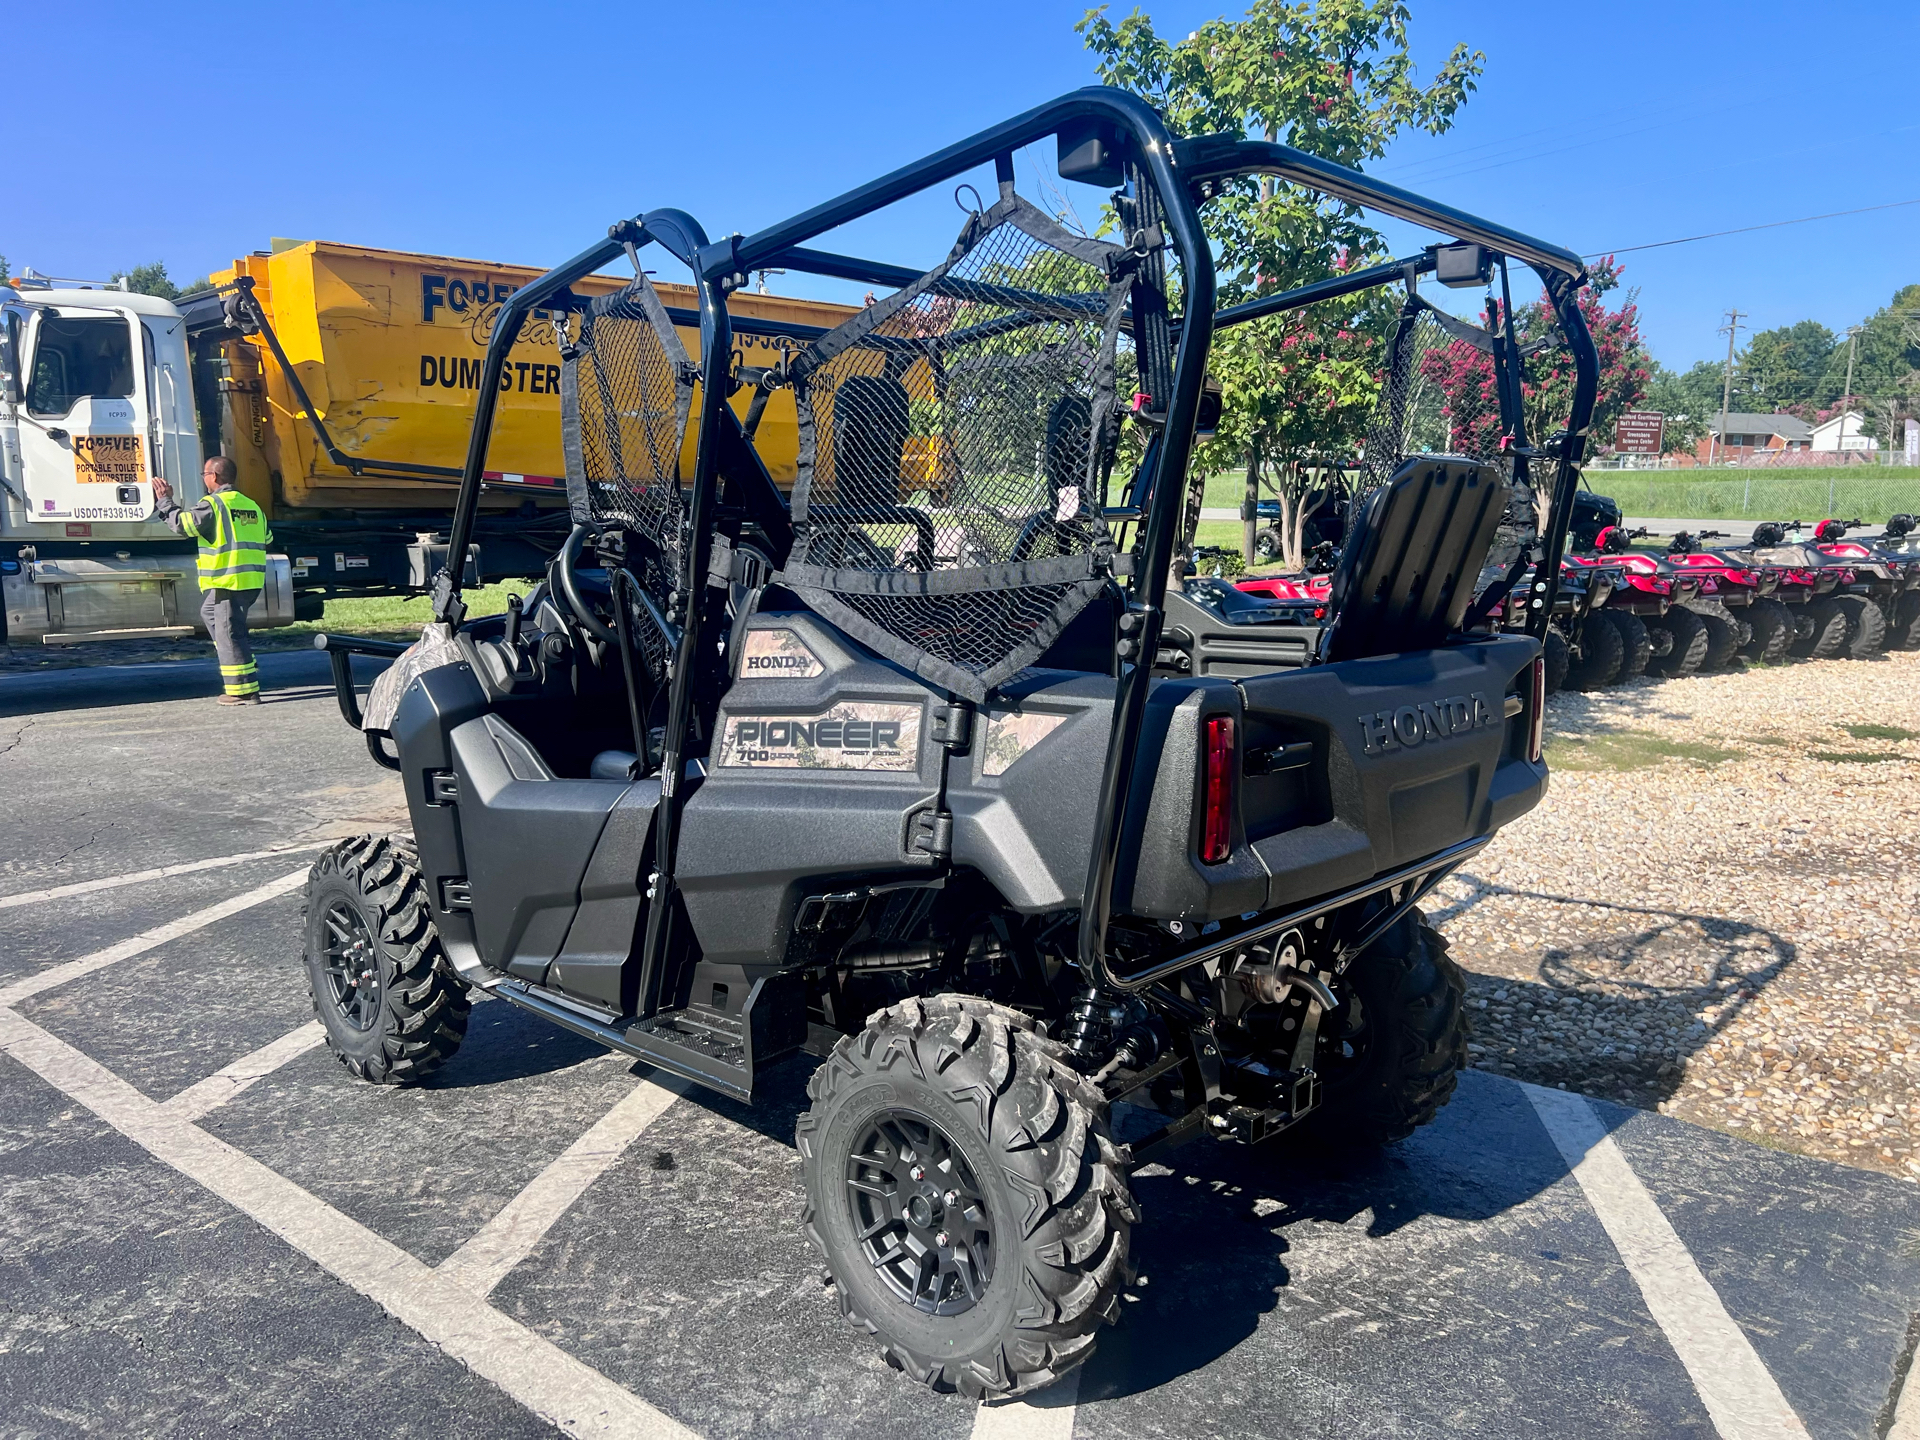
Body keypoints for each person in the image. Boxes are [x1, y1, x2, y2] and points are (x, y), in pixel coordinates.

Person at [152, 456, 273, 705]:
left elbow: (183, 525)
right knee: (210, 614)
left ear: (214, 477)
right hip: (249, 580)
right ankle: (240, 658)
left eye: (204, 474)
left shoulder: (214, 504)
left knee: (230, 634)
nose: (204, 479)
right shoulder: (250, 505)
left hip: (228, 581)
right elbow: (268, 538)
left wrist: (165, 501)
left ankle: (242, 691)